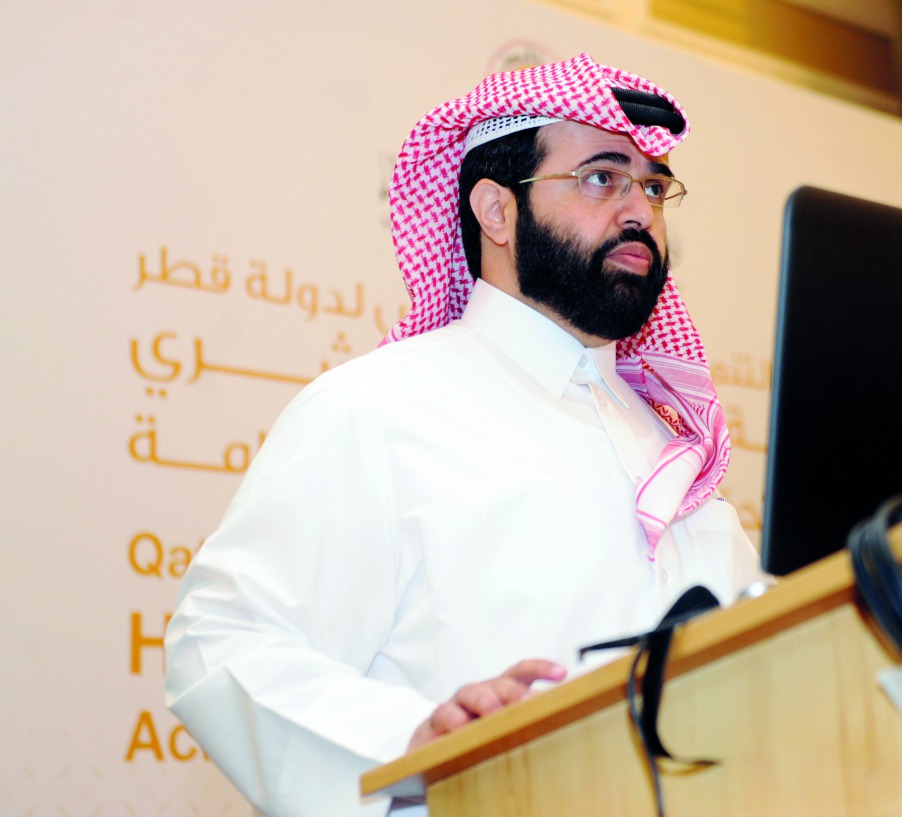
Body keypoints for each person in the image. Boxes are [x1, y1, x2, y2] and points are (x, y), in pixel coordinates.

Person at [165, 53, 767, 817]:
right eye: (601, 178)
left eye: (653, 186)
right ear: (496, 211)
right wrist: (411, 740)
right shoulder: (378, 409)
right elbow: (224, 640)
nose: (639, 212)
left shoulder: (674, 448)